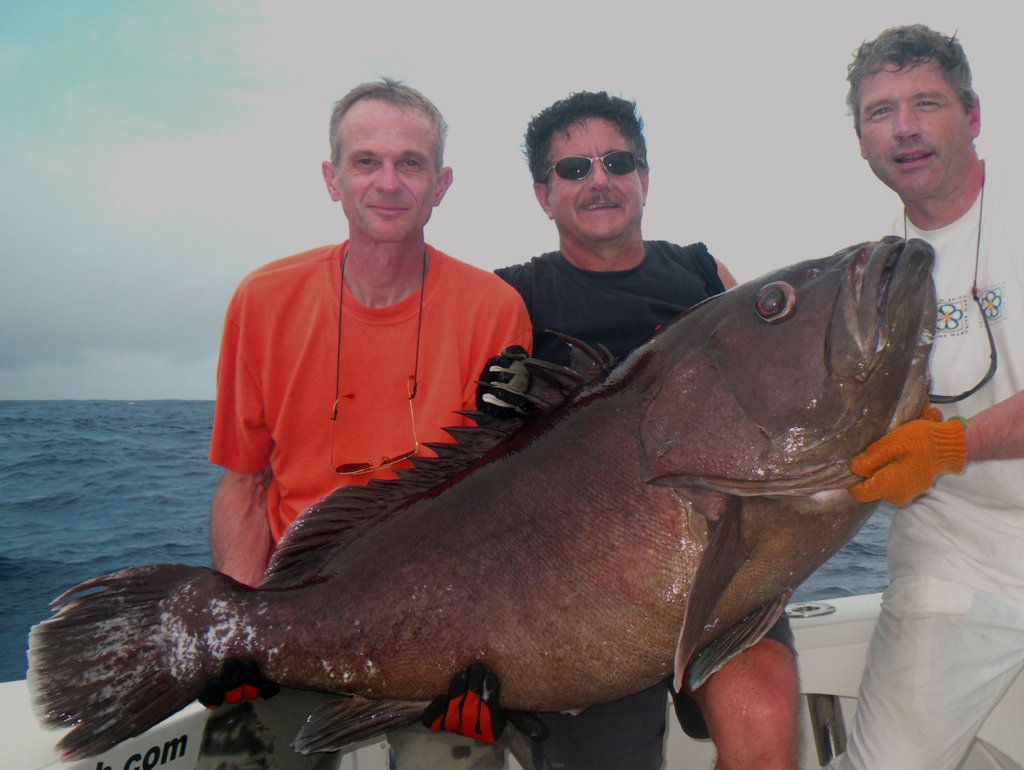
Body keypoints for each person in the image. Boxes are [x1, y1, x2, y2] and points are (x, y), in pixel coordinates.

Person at [439, 91, 800, 770]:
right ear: (543, 196)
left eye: (617, 161)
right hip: (576, 603)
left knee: (769, 734)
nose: (599, 179)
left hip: (720, 574)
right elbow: (459, 471)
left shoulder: (701, 273)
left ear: (644, 177)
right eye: (573, 170)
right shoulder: (510, 297)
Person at [206, 78, 532, 769]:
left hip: (445, 630)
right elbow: (243, 483)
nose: (388, 182)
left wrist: (483, 649)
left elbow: (505, 508)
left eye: (410, 163)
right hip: (296, 613)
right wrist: (239, 630)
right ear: (332, 179)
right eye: (366, 161)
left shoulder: (495, 309)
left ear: (441, 184)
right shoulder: (261, 300)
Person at [835, 25, 1024, 769]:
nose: (904, 128)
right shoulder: (861, 280)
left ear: (973, 117)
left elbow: (937, 441)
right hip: (955, 548)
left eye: (926, 103)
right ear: (860, 140)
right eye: (880, 112)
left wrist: (951, 443)